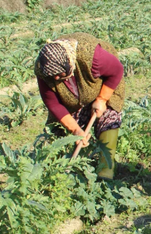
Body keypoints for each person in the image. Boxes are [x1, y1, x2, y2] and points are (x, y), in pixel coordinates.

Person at [34, 32, 124, 180]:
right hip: (72, 97)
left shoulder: (91, 55)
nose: (56, 78)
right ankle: (63, 168)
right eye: (53, 76)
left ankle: (105, 169)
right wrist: (75, 129)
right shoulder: (43, 70)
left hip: (103, 83)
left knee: (109, 117)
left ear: (69, 63)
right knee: (62, 127)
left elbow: (116, 70)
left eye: (60, 74)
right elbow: (53, 103)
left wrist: (101, 99)